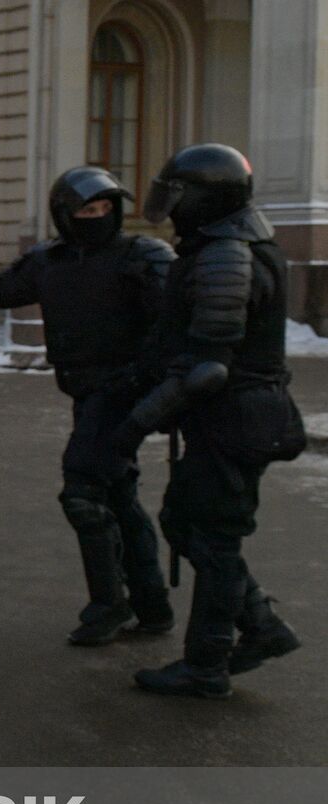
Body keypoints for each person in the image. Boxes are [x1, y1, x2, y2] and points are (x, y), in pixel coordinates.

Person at [0, 167, 175, 641]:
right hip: (85, 390)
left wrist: (148, 377)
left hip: (122, 394)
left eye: (104, 208)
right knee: (117, 494)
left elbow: (174, 321)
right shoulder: (48, 261)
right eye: (86, 209)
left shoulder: (140, 255)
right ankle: (152, 605)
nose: (97, 217)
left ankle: (108, 606)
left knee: (82, 491)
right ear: (65, 215)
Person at [114, 143, 304, 699]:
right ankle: (262, 627)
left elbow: (207, 370)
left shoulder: (227, 254)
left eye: (180, 197)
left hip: (235, 420)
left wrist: (136, 423)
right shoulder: (224, 244)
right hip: (231, 420)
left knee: (214, 539)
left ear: (206, 198)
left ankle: (207, 664)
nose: (172, 209)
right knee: (184, 522)